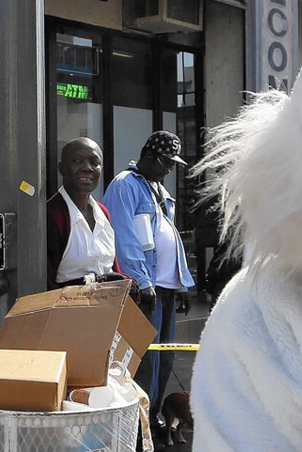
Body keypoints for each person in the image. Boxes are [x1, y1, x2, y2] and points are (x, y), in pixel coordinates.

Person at [100, 130, 196, 433]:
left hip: (165, 285)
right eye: (166, 162)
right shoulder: (124, 186)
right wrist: (142, 282)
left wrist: (181, 283)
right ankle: (137, 424)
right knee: (146, 360)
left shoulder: (156, 187)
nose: (169, 169)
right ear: (151, 156)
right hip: (146, 288)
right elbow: (125, 238)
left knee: (165, 357)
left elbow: (170, 235)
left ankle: (153, 417)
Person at [47, 137, 117, 287]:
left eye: (94, 162)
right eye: (77, 161)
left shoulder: (103, 213)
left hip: (106, 307)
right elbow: (47, 283)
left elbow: (113, 269)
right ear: (62, 169)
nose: (87, 168)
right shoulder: (52, 215)